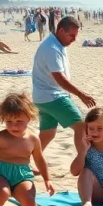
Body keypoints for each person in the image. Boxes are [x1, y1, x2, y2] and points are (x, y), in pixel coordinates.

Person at [33, 16, 96, 157]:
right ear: (61, 30)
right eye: (71, 35)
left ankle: (25, 160)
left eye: (75, 36)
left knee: (47, 133)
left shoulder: (56, 43)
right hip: (53, 96)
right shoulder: (52, 48)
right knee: (81, 126)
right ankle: (84, 162)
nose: (74, 39)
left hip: (41, 97)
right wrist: (81, 95)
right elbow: (59, 78)